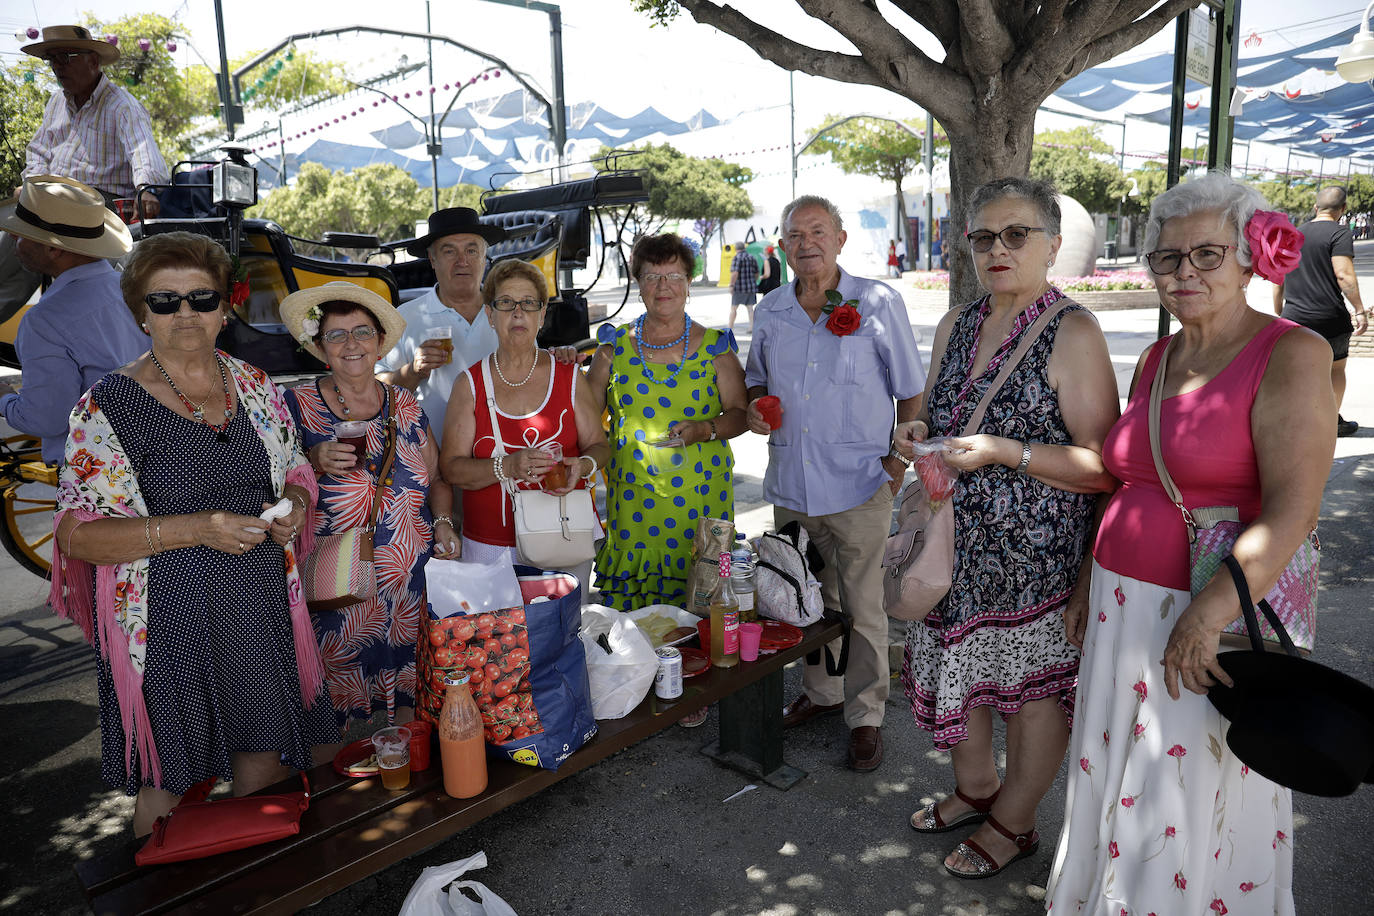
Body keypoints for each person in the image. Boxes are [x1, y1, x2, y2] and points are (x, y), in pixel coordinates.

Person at [1046, 172, 1333, 914]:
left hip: (1210, 610)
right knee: (1122, 765)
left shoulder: (1290, 353)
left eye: (1207, 254)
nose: (1184, 273)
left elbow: (1294, 510)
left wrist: (1205, 619)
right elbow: (1127, 481)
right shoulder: (1157, 357)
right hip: (1120, 606)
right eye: (1167, 258)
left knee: (1188, 782)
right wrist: (1088, 582)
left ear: (1249, 257)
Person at [49, 231, 331, 837]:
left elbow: (297, 471)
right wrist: (197, 529)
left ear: (224, 308)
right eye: (165, 300)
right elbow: (77, 535)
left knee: (264, 761)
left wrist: (296, 506)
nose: (185, 313)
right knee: (169, 785)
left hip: (257, 605)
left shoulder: (253, 385)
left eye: (202, 299)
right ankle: (164, 883)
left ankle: (257, 877)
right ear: (140, 312)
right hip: (166, 619)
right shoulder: (105, 408)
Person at [892, 177, 1119, 879]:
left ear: (1053, 244)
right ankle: (977, 790)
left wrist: (1003, 451)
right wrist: (917, 432)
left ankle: (1014, 823)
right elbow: (935, 414)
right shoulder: (958, 322)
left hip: (1035, 566)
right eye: (984, 237)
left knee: (1031, 696)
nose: (999, 249)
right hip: (950, 552)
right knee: (960, 673)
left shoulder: (1072, 331)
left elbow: (1104, 468)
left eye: (1017, 234)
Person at [744, 194, 925, 772]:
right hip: (793, 485)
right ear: (782, 246)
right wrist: (755, 407)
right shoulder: (771, 310)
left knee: (865, 606)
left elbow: (911, 392)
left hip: (860, 484)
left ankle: (866, 714)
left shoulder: (877, 302)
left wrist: (896, 465)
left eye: (818, 231)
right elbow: (755, 382)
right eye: (795, 235)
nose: (807, 244)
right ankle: (821, 693)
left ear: (840, 239)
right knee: (805, 596)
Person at [280, 282, 459, 737]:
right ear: (321, 347)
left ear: (380, 342)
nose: (351, 344)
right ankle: (342, 772)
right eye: (336, 335)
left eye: (362, 332)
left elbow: (437, 478)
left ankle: (407, 767)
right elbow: (269, 484)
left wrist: (443, 524)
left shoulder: (405, 404)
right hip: (339, 589)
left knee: (413, 696)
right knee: (337, 705)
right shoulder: (295, 407)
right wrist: (311, 460)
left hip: (410, 585)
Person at [586, 233, 749, 610]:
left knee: (705, 607)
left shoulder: (715, 347)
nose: (663, 286)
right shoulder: (613, 349)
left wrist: (703, 430)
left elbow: (741, 415)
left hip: (701, 500)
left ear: (689, 282)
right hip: (635, 503)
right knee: (637, 620)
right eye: (652, 276)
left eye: (674, 276)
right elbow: (585, 414)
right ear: (638, 283)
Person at [440, 258, 610, 589]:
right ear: (490, 315)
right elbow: (451, 469)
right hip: (489, 547)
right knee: (495, 625)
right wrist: (507, 466)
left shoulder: (569, 376)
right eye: (506, 303)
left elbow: (599, 446)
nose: (518, 313)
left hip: (563, 536)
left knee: (564, 621)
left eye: (529, 303)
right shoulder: (469, 384)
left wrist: (584, 465)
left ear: (542, 314)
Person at [2, 25, 170, 320]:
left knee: (31, 243)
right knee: (17, 241)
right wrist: (32, 183)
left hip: (98, 208)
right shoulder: (57, 102)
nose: (57, 66)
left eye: (66, 57)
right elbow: (39, 151)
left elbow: (144, 153)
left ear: (93, 61)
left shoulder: (122, 106)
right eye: (52, 59)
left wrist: (147, 189)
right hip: (51, 201)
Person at [0, 176, 146, 464]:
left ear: (53, 248)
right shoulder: (132, 289)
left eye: (21, 233)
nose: (14, 239)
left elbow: (45, 419)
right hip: (155, 453)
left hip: (97, 473)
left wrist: (4, 398)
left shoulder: (45, 321)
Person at [376, 207, 508, 444]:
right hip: (429, 458)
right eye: (449, 251)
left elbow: (535, 370)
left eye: (471, 250)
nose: (462, 261)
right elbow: (376, 389)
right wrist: (412, 372)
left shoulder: (508, 311)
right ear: (432, 259)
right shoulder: (404, 318)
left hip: (503, 453)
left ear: (484, 256)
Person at [1273, 185, 1367, 436]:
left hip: (1294, 318)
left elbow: (1278, 277)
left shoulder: (1294, 233)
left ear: (1316, 207)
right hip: (1330, 319)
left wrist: (1279, 310)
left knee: (1295, 371)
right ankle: (1330, 424)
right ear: (1343, 208)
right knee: (1334, 370)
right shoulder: (1339, 233)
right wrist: (1359, 309)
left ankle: (1293, 421)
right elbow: (1344, 275)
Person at [728, 241, 759, 332]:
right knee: (750, 308)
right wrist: (753, 281)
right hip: (750, 287)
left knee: (734, 308)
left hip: (739, 287)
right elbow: (757, 272)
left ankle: (730, 327)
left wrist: (731, 285)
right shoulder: (751, 257)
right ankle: (751, 327)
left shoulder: (737, 258)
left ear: (736, 249)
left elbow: (735, 273)